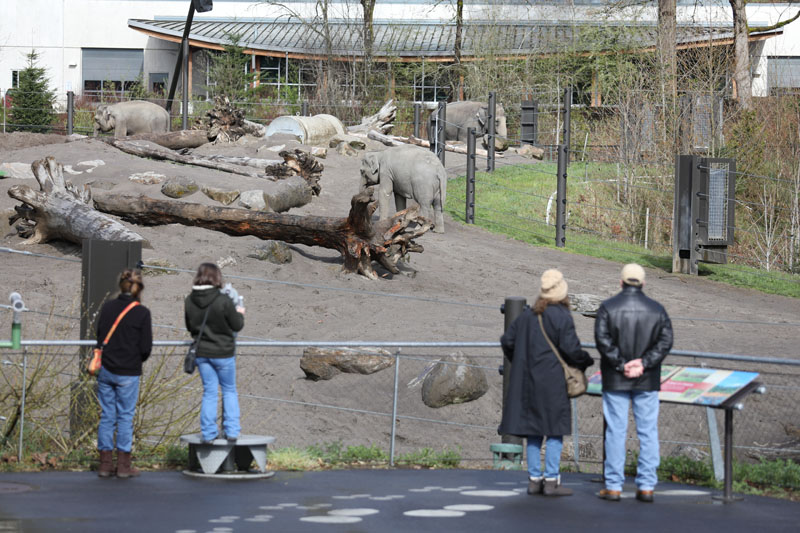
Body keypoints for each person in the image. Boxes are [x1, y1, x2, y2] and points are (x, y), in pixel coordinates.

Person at [499, 269, 594, 497]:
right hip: (553, 383)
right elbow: (571, 350)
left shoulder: (527, 316)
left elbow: (507, 341)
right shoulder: (562, 317)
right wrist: (585, 361)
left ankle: (534, 480)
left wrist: (519, 360)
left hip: (528, 382)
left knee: (533, 433)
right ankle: (551, 481)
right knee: (553, 432)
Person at [594, 263, 673, 503]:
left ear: (621, 282)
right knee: (648, 432)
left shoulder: (608, 308)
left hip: (616, 379)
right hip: (646, 379)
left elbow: (602, 340)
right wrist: (644, 363)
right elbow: (665, 340)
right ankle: (647, 485)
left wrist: (621, 364)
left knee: (616, 431)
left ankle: (614, 485)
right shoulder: (657, 309)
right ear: (643, 283)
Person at [95, 268, 152, 478]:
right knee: (125, 417)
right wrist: (136, 361)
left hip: (107, 369)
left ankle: (105, 463)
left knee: (107, 416)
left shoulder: (108, 307)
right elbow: (146, 347)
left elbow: (99, 336)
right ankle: (124, 465)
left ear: (120, 285)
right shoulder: (142, 313)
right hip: (129, 370)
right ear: (139, 289)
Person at [185, 262, 245, 443]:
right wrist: (240, 312)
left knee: (209, 392)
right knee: (229, 391)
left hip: (202, 353)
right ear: (217, 277)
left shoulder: (189, 300)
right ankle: (232, 431)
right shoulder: (223, 300)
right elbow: (237, 325)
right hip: (224, 352)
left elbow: (190, 327)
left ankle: (209, 433)